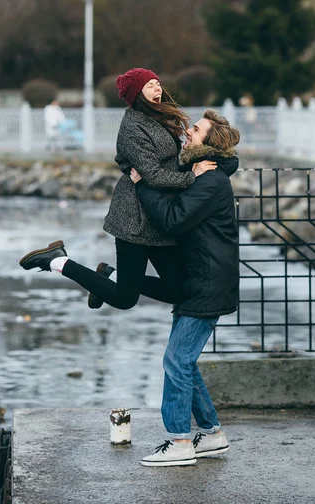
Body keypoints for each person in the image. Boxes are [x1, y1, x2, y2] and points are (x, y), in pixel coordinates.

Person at [19, 68, 213, 311]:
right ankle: (57, 261)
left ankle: (109, 275)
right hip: (134, 217)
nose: (158, 89)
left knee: (177, 288)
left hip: (160, 216)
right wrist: (192, 177)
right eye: (150, 85)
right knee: (125, 298)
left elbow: (169, 162)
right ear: (137, 93)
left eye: (157, 83)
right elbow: (152, 175)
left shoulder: (160, 117)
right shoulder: (132, 128)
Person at [128, 109, 240, 467]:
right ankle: (212, 434)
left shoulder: (211, 182)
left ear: (209, 144)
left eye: (196, 130)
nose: (188, 132)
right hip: (199, 282)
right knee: (185, 364)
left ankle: (178, 441)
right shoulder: (200, 175)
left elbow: (174, 220)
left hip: (207, 285)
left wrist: (142, 184)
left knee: (175, 361)